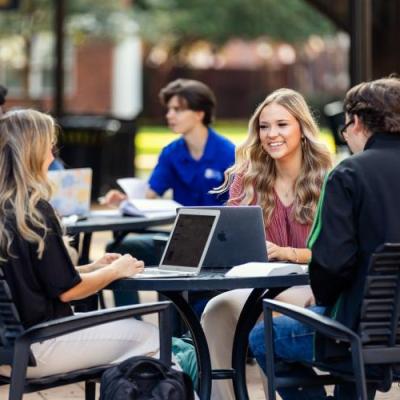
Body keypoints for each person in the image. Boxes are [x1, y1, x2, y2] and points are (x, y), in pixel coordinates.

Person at [249, 76, 400, 399]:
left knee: (263, 338)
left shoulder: (350, 175)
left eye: (346, 126)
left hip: (360, 333)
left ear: (357, 122)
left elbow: (331, 262)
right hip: (389, 332)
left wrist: (322, 297)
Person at [0, 109, 160, 378]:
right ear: (32, 152)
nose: (53, 155)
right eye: (48, 146)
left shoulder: (10, 209)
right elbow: (68, 292)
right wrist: (115, 270)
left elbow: (38, 279)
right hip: (39, 345)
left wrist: (92, 267)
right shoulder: (33, 211)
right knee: (153, 336)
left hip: (9, 347)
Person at [201, 88, 332, 400]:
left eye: (282, 125)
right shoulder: (247, 178)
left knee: (265, 311)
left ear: (302, 128)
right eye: (264, 126)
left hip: (315, 284)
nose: (271, 134)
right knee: (216, 310)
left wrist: (288, 253)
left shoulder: (331, 178)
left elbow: (337, 251)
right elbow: (230, 241)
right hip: (260, 283)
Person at [104, 79, 235, 308]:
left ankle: (182, 329)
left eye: (178, 109)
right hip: (181, 239)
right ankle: (130, 319)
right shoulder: (171, 153)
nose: (169, 115)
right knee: (118, 251)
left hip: (219, 241)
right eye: (169, 109)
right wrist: (125, 200)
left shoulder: (227, 152)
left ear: (199, 113)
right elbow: (150, 194)